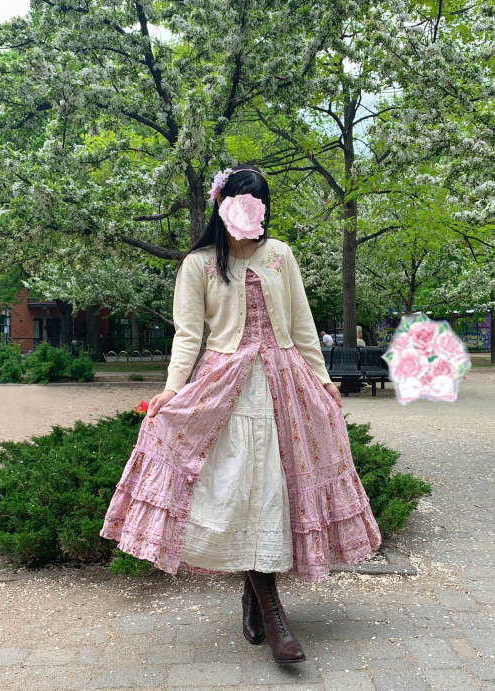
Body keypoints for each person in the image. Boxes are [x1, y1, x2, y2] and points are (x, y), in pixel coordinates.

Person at [100, 165, 382, 665]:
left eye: (257, 202)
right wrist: (171, 391)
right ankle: (272, 610)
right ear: (222, 204)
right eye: (239, 200)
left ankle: (258, 598)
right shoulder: (200, 263)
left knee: (273, 490)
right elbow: (187, 335)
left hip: (284, 387)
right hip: (225, 389)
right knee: (239, 490)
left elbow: (301, 325)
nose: (249, 210)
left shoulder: (281, 257)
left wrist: (321, 380)